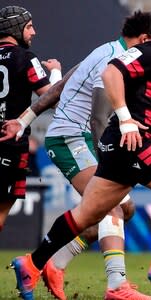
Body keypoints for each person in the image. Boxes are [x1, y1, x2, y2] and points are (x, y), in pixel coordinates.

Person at [10, 2, 151, 299]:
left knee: (91, 212)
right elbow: (110, 76)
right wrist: (125, 122)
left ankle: (33, 263)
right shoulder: (145, 51)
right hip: (128, 141)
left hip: (124, 141)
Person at [1, 11, 151, 300]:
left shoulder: (105, 50)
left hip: (76, 135)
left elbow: (59, 88)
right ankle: (117, 286)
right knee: (111, 205)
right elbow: (97, 118)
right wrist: (110, 163)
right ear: (145, 38)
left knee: (126, 208)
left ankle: (49, 264)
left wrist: (22, 121)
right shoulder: (115, 60)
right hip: (72, 136)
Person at [0, 5, 61, 232]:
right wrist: (56, 72)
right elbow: (52, 99)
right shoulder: (25, 58)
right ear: (15, 29)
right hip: (9, 143)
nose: (33, 32)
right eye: (28, 27)